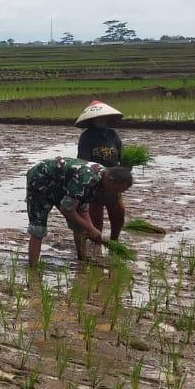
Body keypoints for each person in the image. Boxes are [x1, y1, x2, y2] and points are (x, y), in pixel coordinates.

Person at [25, 157, 134, 266]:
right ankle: (33, 268)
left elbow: (82, 208)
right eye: (116, 190)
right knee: (38, 227)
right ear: (111, 180)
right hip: (40, 179)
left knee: (80, 225)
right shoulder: (88, 179)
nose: (116, 194)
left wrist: (90, 228)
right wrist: (90, 228)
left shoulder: (101, 179)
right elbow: (67, 209)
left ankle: (82, 258)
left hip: (62, 184)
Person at [75, 100, 127, 241]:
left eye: (103, 117)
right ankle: (97, 244)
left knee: (118, 213)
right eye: (98, 118)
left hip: (113, 182)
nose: (101, 120)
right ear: (92, 120)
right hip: (95, 183)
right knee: (96, 218)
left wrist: (126, 167)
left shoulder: (112, 135)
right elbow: (83, 162)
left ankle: (114, 241)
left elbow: (123, 156)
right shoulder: (86, 137)